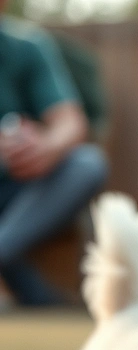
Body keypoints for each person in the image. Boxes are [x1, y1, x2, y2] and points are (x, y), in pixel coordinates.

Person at [0, 0, 108, 307]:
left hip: (23, 193)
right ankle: (37, 296)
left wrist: (46, 147)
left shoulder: (27, 47)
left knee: (87, 164)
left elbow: (70, 122)